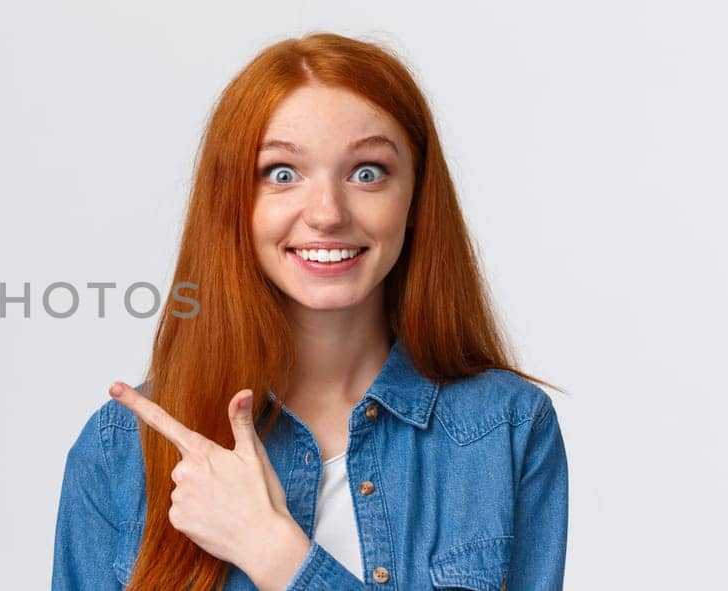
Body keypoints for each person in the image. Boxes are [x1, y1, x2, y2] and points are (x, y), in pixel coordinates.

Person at [51, 32, 568, 590]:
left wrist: (272, 552)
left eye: (367, 172)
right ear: (234, 205)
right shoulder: (120, 452)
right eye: (281, 174)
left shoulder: (503, 428)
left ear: (416, 199)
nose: (326, 213)